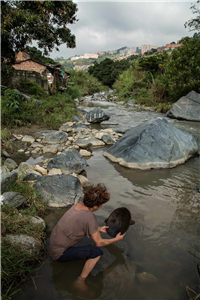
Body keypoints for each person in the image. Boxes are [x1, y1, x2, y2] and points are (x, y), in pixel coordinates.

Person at [49, 186, 125, 290]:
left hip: (53, 245)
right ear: (95, 206)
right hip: (59, 254)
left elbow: (78, 224)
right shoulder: (90, 217)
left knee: (87, 244)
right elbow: (99, 243)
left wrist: (98, 229)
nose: (101, 206)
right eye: (101, 204)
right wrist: (116, 239)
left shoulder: (76, 206)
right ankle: (80, 280)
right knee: (97, 252)